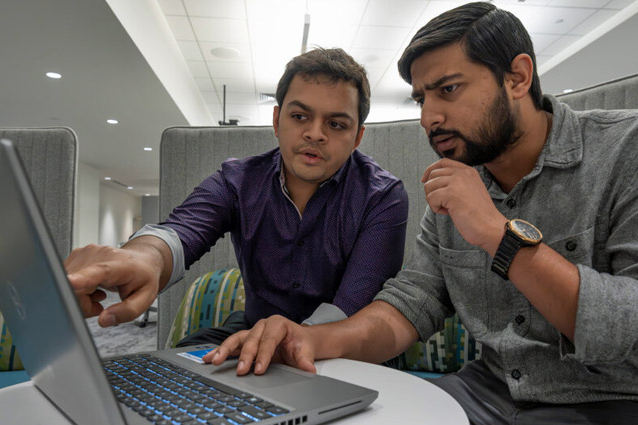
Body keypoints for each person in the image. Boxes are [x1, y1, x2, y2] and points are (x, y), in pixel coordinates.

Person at [204, 3, 638, 424]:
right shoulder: (458, 186)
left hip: (634, 405)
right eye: (421, 99)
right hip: (488, 395)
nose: (431, 116)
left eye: (449, 90)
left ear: (518, 77)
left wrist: (500, 237)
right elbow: (410, 304)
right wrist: (311, 339)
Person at [64, 48, 409, 346]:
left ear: (358, 136)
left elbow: (351, 307)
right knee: (181, 362)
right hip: (254, 330)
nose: (315, 134)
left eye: (336, 124)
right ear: (277, 120)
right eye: (300, 116)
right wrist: (144, 258)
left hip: (343, 344)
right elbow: (181, 231)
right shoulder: (238, 181)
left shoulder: (382, 196)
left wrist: (291, 343)